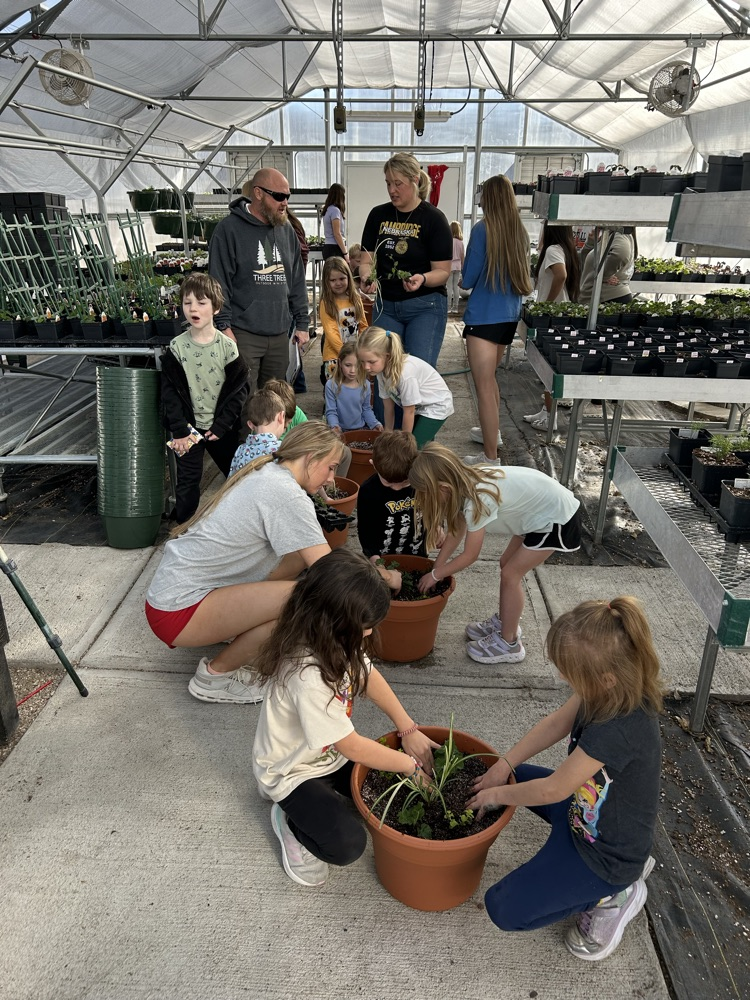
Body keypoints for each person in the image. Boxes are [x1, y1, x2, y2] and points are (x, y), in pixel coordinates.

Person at [467, 597, 663, 962]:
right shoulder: (608, 689)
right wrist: (503, 765)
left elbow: (555, 787)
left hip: (604, 855)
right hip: (582, 812)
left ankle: (615, 895)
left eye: (568, 672)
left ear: (604, 678)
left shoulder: (622, 725)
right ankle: (592, 875)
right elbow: (556, 723)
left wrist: (497, 794)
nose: (561, 677)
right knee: (514, 778)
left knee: (502, 908)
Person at [252, 549, 438, 887]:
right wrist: (409, 765)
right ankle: (290, 821)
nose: (368, 634)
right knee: (347, 845)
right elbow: (351, 745)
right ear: (337, 620)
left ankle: (314, 807)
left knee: (387, 796)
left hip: (328, 758)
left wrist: (407, 727)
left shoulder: (331, 638)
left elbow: (367, 675)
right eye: (366, 628)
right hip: (293, 771)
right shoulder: (306, 674)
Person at [145, 422, 344, 704]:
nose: (332, 479)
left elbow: (306, 556)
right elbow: (332, 574)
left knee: (299, 556)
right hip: (177, 611)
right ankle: (214, 677)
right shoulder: (286, 493)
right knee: (306, 600)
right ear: (311, 457)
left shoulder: (270, 470)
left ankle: (235, 629)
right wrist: (381, 578)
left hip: (171, 598)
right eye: (332, 467)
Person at [409, 443, 581, 664]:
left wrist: (436, 576)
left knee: (511, 574)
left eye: (424, 493)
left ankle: (509, 643)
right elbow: (457, 530)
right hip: (535, 514)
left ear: (442, 488)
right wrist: (436, 567)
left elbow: (470, 555)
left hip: (556, 518)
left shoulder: (477, 499)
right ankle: (507, 622)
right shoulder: (464, 483)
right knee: (506, 563)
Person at [208, 169, 309, 411]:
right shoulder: (229, 230)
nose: (284, 202)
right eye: (278, 196)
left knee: (275, 402)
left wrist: (302, 323)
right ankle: (245, 449)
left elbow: (296, 280)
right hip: (243, 332)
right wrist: (224, 326)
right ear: (258, 193)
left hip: (279, 333)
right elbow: (218, 282)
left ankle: (271, 448)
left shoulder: (286, 231)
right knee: (244, 400)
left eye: (287, 196)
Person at [160, 273, 249, 523]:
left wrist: (223, 424)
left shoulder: (228, 347)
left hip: (220, 428)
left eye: (201, 302)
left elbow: (240, 389)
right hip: (189, 430)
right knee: (188, 482)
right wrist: (179, 429)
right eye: (187, 303)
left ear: (216, 307)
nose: (193, 308)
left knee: (236, 475)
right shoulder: (176, 348)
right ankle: (184, 528)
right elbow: (169, 393)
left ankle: (239, 524)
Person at [461, 175, 533, 467]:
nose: (478, 201)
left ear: (488, 198)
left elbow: (467, 279)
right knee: (490, 382)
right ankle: (493, 435)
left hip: (485, 316)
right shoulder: (520, 232)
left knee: (484, 386)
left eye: (481, 195)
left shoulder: (483, 230)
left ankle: (490, 458)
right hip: (508, 317)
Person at [360, 152, 452, 369]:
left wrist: (422, 278)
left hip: (425, 306)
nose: (392, 190)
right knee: (384, 372)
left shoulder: (434, 219)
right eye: (388, 183)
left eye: (398, 183)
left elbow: (443, 271)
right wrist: (366, 275)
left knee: (417, 373)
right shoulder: (377, 215)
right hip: (386, 306)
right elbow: (366, 260)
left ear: (415, 180)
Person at [524, 224, 581, 433]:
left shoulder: (552, 250)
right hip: (561, 316)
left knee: (547, 366)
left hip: (553, 318)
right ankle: (546, 411)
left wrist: (547, 303)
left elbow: (561, 275)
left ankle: (551, 417)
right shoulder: (564, 249)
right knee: (549, 365)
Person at [358, 326, 453, 449]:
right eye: (362, 361)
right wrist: (387, 433)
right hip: (421, 406)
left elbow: (409, 411)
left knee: (414, 448)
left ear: (387, 356)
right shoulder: (380, 373)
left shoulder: (405, 374)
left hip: (436, 405)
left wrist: (405, 444)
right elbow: (388, 407)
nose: (366, 367)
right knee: (422, 444)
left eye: (371, 362)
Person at [357, 430, 429, 560]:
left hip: (417, 552)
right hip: (382, 556)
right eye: (389, 483)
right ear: (373, 465)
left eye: (405, 482)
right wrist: (372, 555)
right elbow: (365, 529)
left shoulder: (422, 484)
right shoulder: (368, 490)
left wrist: (438, 527)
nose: (396, 488)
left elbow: (435, 507)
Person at [319, 256, 367, 383]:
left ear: (348, 278)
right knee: (336, 390)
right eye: (333, 280)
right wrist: (346, 355)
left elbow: (363, 326)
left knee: (355, 388)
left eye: (342, 278)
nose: (338, 283)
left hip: (355, 355)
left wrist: (360, 351)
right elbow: (331, 333)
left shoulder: (355, 298)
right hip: (334, 356)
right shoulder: (326, 303)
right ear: (326, 282)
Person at [324, 342, 382, 436]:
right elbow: (331, 411)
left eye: (357, 366)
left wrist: (374, 423)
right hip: (339, 431)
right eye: (348, 365)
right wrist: (334, 426)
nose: (352, 371)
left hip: (361, 430)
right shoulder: (331, 385)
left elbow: (366, 409)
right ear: (340, 363)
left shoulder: (365, 385)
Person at [229, 387, 286, 476]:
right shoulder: (282, 450)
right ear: (281, 417)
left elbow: (231, 481)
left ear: (250, 425)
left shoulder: (240, 451)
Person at [579, 227, 638, 307]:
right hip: (606, 298)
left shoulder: (619, 234)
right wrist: (591, 244)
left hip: (607, 298)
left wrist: (603, 275)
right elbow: (591, 264)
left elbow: (620, 254)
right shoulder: (610, 235)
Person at [286, 207, 311, 394]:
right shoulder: (294, 223)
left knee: (292, 341)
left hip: (289, 292)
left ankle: (296, 382)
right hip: (292, 289)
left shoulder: (287, 228)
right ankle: (298, 382)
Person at [321, 182, 348, 261]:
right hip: (335, 248)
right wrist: (345, 253)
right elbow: (337, 234)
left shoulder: (327, 209)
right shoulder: (335, 210)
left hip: (328, 247)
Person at [448, 221, 465, 314]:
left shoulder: (448, 241)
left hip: (449, 266)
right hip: (458, 266)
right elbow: (462, 256)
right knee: (456, 288)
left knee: (449, 287)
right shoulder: (460, 242)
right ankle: (455, 308)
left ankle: (448, 307)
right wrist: (463, 267)